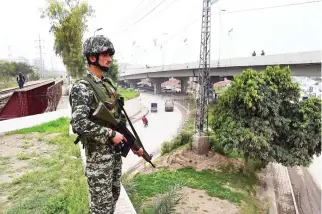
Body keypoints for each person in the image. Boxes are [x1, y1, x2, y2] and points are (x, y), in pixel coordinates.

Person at [69, 35, 143, 214]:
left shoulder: (108, 85)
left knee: (113, 199)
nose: (109, 58)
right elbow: (78, 123)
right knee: (101, 208)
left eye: (111, 54)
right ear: (92, 57)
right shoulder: (82, 87)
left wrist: (133, 145)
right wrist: (109, 134)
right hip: (99, 160)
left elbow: (118, 121)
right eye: (105, 54)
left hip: (115, 155)